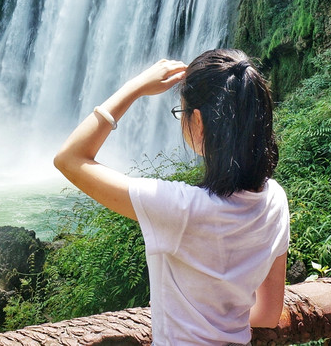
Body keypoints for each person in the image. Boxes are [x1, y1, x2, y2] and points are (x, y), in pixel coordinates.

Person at [54, 49, 290, 345]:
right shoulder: (275, 200)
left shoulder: (179, 207)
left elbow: (69, 159)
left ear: (199, 121)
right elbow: (268, 314)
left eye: (182, 112)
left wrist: (136, 87)